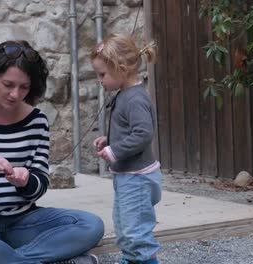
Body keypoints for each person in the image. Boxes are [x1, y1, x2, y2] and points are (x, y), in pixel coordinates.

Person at [0, 40, 104, 264]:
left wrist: (26, 182)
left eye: (24, 87)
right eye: (8, 84)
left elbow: (40, 184)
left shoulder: (37, 121)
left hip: (22, 222)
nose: (15, 94)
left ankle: (6, 260)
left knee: (91, 225)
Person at [90, 33, 162, 264]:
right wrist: (109, 140)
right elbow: (129, 129)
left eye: (102, 74)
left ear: (121, 68)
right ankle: (131, 259)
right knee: (124, 224)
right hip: (128, 176)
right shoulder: (126, 94)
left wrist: (115, 151)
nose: (100, 80)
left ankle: (142, 260)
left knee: (135, 229)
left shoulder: (134, 99)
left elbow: (143, 134)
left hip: (138, 179)